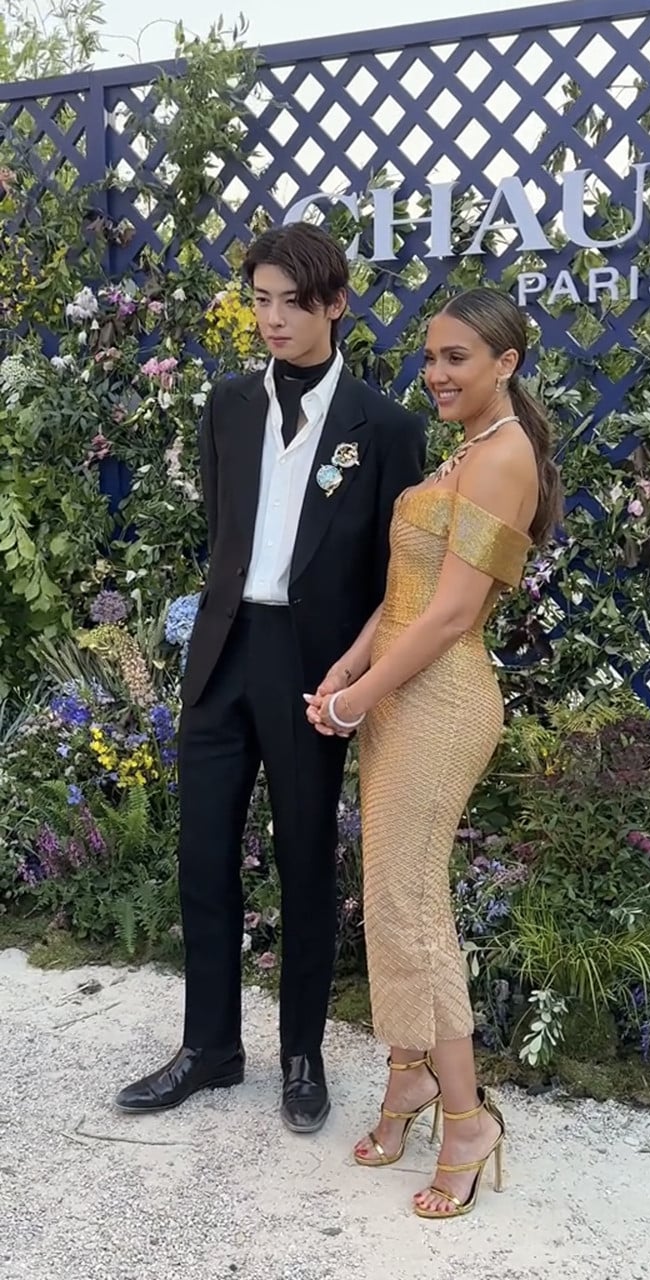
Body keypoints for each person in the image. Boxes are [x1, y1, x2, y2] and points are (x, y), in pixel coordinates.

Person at [115, 222, 426, 1132]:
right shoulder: (226, 406)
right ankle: (209, 1048)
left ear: (335, 304)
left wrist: (354, 673)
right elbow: (226, 532)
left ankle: (301, 1054)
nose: (274, 319)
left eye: (293, 301)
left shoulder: (387, 426)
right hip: (222, 656)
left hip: (312, 665)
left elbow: (393, 573)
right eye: (260, 300)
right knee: (202, 854)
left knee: (303, 862)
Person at [306, 287, 562, 1217]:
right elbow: (407, 591)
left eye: (458, 357)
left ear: (507, 363)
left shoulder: (506, 459)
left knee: (414, 905)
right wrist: (349, 664)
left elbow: (455, 613)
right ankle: (409, 1076)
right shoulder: (468, 453)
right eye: (430, 358)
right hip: (396, 691)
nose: (438, 374)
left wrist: (360, 695)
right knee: (389, 893)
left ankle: (465, 1120)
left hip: (442, 701)